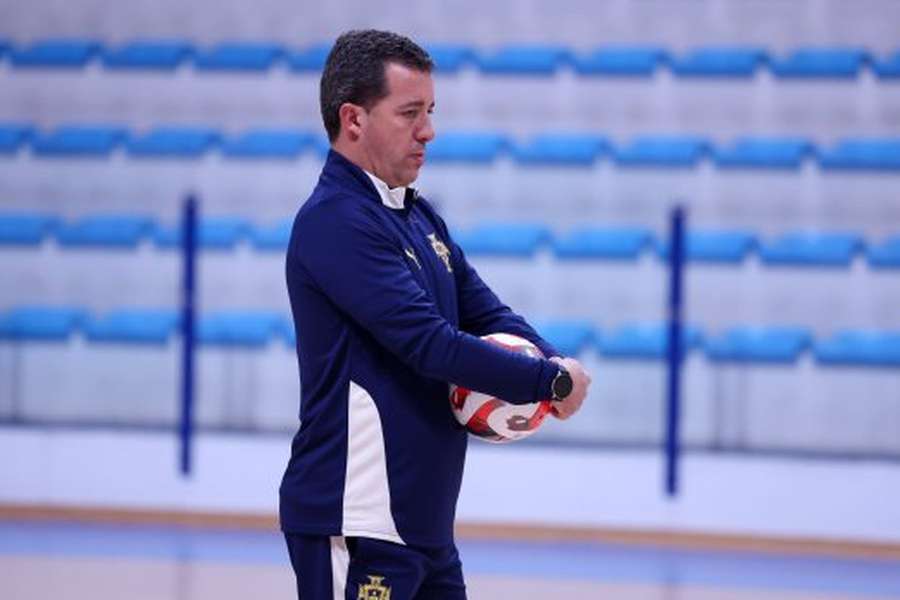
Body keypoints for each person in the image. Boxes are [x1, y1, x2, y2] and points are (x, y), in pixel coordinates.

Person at [281, 29, 591, 599]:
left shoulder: (417, 216)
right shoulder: (335, 220)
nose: (428, 130)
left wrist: (552, 361)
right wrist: (547, 382)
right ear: (353, 119)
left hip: (423, 527)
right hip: (358, 519)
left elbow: (484, 311)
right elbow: (430, 345)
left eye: (431, 111)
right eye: (410, 113)